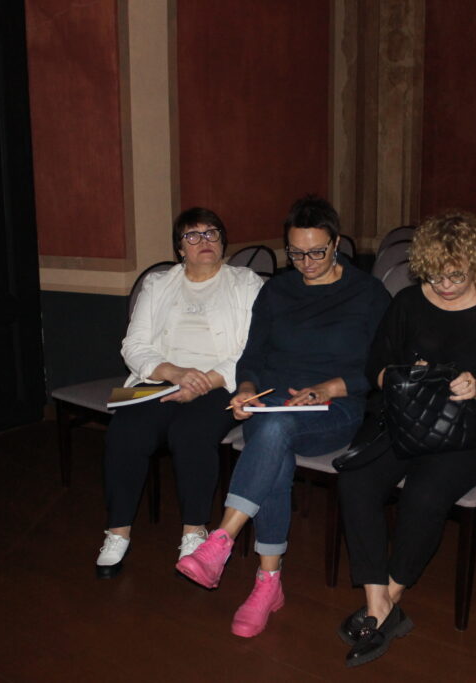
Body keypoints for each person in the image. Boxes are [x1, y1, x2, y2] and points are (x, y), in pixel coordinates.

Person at [175, 195, 391, 638]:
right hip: (273, 402)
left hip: (334, 407)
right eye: (296, 253)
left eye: (317, 252)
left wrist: (329, 388)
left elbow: (384, 367)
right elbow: (253, 355)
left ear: (337, 244)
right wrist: (247, 389)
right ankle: (266, 583)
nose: (306, 263)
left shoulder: (367, 294)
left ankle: (223, 541)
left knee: (272, 435)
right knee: (274, 438)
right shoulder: (276, 291)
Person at [336, 211, 476, 667]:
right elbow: (376, 368)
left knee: (425, 491)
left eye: (456, 276)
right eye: (436, 275)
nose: (444, 285)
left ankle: (388, 598)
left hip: (473, 430)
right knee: (356, 479)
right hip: (409, 418)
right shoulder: (408, 302)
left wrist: (474, 386)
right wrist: (403, 377)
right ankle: (379, 604)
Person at [95, 207, 263, 579]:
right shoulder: (158, 284)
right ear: (180, 248)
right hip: (160, 377)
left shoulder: (246, 283)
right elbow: (133, 345)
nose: (204, 241)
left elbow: (253, 348)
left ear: (222, 242)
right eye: (193, 235)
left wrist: (206, 380)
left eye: (212, 233)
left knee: (191, 433)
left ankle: (193, 530)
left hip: (219, 383)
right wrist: (173, 373)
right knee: (126, 431)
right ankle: (117, 532)